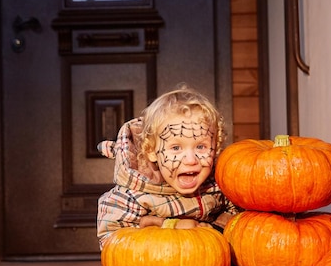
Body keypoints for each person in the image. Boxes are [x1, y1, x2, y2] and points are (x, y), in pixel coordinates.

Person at [96, 85, 238, 250]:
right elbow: (112, 242)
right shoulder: (135, 195)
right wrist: (168, 226)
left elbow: (238, 221)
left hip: (206, 265)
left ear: (216, 147)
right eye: (176, 148)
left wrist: (214, 229)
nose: (191, 160)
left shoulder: (217, 186)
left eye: (201, 147)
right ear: (152, 152)